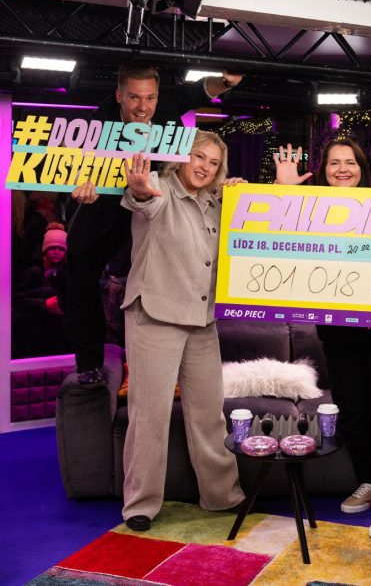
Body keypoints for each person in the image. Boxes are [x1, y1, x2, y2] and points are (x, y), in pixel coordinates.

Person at [275, 138, 371, 540]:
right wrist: (283, 192)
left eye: (350, 162)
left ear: (363, 168)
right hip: (341, 332)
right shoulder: (311, 213)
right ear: (323, 171)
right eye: (334, 163)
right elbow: (277, 239)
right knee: (354, 413)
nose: (342, 169)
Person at [67, 61, 243, 386]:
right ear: (119, 96)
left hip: (156, 205)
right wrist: (81, 187)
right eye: (134, 97)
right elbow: (76, 168)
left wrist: (226, 81)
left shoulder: (167, 104)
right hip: (104, 207)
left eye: (150, 98)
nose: (143, 106)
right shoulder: (97, 122)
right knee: (80, 272)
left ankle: (167, 357)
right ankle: (89, 364)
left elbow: (200, 90)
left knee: (165, 270)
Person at [118, 131, 245, 531]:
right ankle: (140, 505)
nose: (205, 166)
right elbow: (142, 199)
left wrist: (247, 196)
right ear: (181, 157)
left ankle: (222, 496)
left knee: (209, 414)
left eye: (213, 162)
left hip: (202, 320)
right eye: (199, 157)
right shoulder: (159, 186)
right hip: (155, 314)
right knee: (149, 415)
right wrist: (139, 189)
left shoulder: (216, 202)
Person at [13, 223, 72, 358]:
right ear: (45, 250)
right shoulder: (32, 273)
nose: (56, 252)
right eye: (52, 248)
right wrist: (43, 304)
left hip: (61, 336)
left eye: (60, 248)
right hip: (35, 334)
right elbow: (17, 300)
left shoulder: (69, 273)